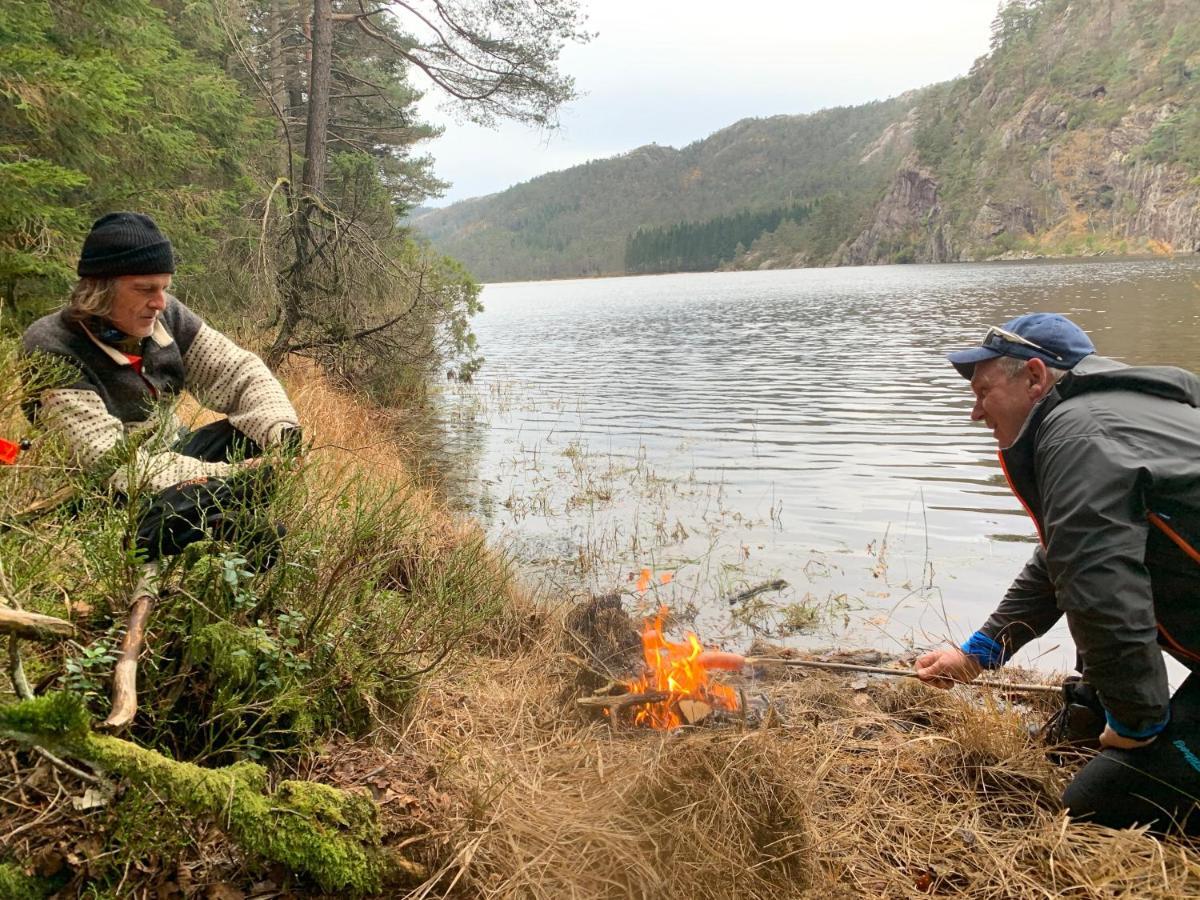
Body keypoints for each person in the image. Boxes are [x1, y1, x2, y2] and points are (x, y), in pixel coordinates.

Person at [916, 312, 1200, 833]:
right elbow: (1064, 559)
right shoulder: (1112, 415)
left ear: (1035, 376)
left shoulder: (1076, 436)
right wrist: (978, 653)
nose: (975, 413)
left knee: (1098, 809)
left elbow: (1098, 583)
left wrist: (1138, 725)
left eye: (983, 391)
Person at [21, 211, 301, 563]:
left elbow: (238, 371)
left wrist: (281, 431)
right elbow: (111, 465)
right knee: (158, 505)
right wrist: (231, 475)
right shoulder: (53, 347)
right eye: (145, 289)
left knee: (252, 435)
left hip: (172, 452)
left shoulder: (163, 318)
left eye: (164, 288)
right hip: (103, 489)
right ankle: (195, 531)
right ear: (101, 289)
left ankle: (206, 521)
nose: (160, 302)